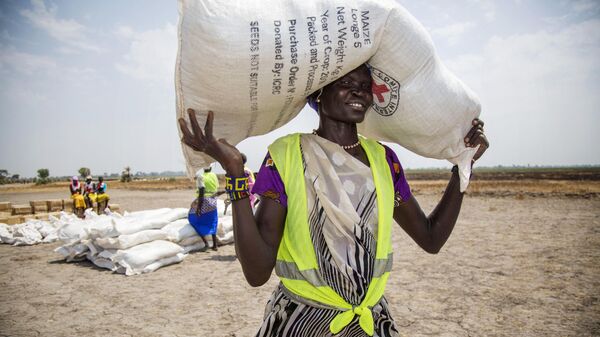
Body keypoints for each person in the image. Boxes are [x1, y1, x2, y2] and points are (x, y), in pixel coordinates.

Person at [178, 64, 488, 337]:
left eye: (365, 87)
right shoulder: (286, 156)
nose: (359, 92)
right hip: (302, 323)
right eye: (346, 83)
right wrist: (234, 173)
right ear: (319, 94)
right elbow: (257, 272)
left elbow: (431, 238)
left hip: (368, 324)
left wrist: (463, 167)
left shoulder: (384, 160)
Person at [188, 167, 220, 251]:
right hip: (213, 201)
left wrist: (198, 207)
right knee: (213, 221)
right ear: (211, 167)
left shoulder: (200, 176)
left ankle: (206, 244)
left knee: (192, 218)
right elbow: (216, 187)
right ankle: (215, 245)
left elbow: (201, 190)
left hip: (203, 201)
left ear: (203, 168)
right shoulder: (214, 175)